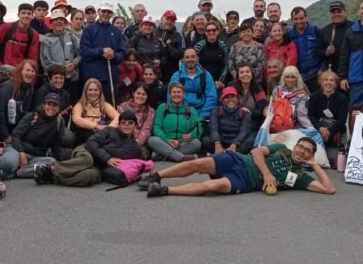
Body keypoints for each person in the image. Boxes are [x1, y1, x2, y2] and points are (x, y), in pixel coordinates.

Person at [139, 136, 335, 198]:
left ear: (310, 155)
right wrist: (267, 175)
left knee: (212, 186)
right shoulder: (281, 148)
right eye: (300, 146)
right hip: (239, 160)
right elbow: (256, 152)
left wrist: (315, 165)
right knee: (198, 164)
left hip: (245, 181)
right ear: (295, 146)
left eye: (307, 151)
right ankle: (156, 176)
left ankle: (163, 190)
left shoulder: (300, 176)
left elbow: (329, 189)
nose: (302, 151)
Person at [0, 92, 65, 177]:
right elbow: (15, 135)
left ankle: (17, 173)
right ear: (44, 105)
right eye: (49, 104)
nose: (51, 108)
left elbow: (57, 144)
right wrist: (22, 153)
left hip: (36, 157)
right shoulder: (33, 116)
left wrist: (60, 163)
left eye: (55, 105)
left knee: (53, 163)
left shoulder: (59, 122)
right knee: (10, 163)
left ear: (58, 108)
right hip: (17, 150)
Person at [80, 1, 125, 102]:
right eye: (103, 11)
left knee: (110, 106)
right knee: (92, 106)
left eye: (109, 12)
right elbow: (85, 52)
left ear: (112, 14)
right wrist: (101, 51)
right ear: (98, 11)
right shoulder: (89, 30)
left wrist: (113, 55)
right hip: (93, 77)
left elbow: (122, 53)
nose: (106, 14)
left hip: (110, 78)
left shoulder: (116, 31)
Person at [85, 110, 144, 185]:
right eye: (123, 122)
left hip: (100, 167)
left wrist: (135, 174)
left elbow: (137, 165)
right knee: (85, 160)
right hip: (87, 152)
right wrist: (107, 158)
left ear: (135, 126)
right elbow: (91, 142)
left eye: (130, 122)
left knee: (89, 176)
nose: (126, 124)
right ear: (119, 125)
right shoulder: (109, 130)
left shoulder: (136, 148)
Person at [147, 82, 202, 162]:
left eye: (179, 92)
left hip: (182, 143)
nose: (176, 94)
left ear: (184, 94)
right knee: (152, 140)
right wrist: (167, 140)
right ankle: (182, 157)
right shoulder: (163, 108)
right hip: (165, 142)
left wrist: (192, 135)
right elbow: (156, 127)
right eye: (174, 92)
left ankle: (162, 155)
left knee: (197, 143)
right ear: (170, 95)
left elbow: (199, 127)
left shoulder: (191, 110)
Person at [0, 60, 39, 147]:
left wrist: (33, 116)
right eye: (27, 70)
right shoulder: (7, 87)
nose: (30, 73)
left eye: (33, 71)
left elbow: (24, 111)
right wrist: (5, 136)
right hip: (0, 133)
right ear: (20, 71)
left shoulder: (29, 89)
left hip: (14, 130)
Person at [40, 8, 81, 101]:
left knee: (71, 105)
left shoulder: (71, 36)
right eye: (56, 19)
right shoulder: (46, 39)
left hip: (71, 79)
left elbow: (80, 54)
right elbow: (46, 62)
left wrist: (74, 63)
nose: (59, 22)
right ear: (51, 22)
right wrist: (63, 68)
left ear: (65, 22)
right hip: (54, 81)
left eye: (61, 19)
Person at [308, 70, 349, 163]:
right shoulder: (314, 96)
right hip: (319, 129)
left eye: (331, 80)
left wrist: (329, 131)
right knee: (315, 158)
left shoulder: (342, 98)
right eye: (325, 80)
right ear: (321, 83)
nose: (328, 83)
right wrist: (320, 128)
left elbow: (342, 120)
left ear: (335, 84)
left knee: (331, 161)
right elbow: (311, 115)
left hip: (335, 131)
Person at [169, 48, 217, 119]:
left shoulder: (206, 75)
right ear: (183, 59)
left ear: (197, 59)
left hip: (201, 114)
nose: (190, 59)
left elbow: (212, 97)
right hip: (180, 114)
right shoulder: (176, 76)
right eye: (187, 57)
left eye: (193, 57)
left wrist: (202, 116)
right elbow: (170, 97)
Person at [70, 78, 119, 145]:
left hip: (102, 135)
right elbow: (76, 119)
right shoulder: (79, 105)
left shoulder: (105, 105)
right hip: (84, 139)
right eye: (90, 90)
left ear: (100, 92)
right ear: (85, 91)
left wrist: (109, 128)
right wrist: (96, 126)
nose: (93, 93)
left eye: (96, 90)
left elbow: (119, 117)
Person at [209, 86, 254, 155]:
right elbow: (213, 127)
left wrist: (234, 145)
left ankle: (227, 154)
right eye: (227, 97)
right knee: (205, 140)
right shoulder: (216, 110)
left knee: (251, 140)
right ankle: (228, 154)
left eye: (233, 97)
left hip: (237, 144)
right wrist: (217, 144)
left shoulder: (245, 113)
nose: (230, 100)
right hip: (221, 141)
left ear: (237, 99)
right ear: (223, 100)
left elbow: (244, 131)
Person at [269, 66, 313, 131]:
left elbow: (301, 114)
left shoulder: (302, 95)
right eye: (287, 77)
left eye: (293, 77)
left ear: (297, 78)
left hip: (293, 125)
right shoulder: (277, 90)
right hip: (275, 123)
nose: (290, 80)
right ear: (283, 78)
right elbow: (272, 109)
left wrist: (311, 128)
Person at [117, 81, 155, 156]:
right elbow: (121, 126)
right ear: (133, 93)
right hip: (122, 141)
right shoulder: (123, 106)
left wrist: (134, 145)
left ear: (147, 96)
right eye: (138, 93)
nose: (140, 96)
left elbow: (146, 130)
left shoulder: (150, 111)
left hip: (140, 144)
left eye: (143, 94)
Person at [289, 7, 321, 93]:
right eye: (296, 19)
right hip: (297, 77)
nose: (299, 21)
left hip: (315, 74)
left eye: (301, 18)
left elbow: (322, 50)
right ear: (292, 20)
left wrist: (323, 68)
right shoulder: (289, 35)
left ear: (306, 17)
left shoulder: (316, 31)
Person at [193, 20, 229, 90]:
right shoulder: (199, 46)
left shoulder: (223, 46)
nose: (211, 32)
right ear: (205, 32)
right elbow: (193, 62)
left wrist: (221, 81)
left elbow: (226, 65)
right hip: (201, 81)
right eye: (208, 30)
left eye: (214, 30)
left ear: (218, 31)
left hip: (218, 83)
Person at [232, 64, 267, 130]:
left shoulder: (259, 90)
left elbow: (261, 110)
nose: (245, 74)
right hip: (234, 122)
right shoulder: (232, 88)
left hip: (253, 123)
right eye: (242, 72)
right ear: (238, 76)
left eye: (247, 71)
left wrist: (249, 113)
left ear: (252, 75)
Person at [318, 1, 349, 74]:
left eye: (339, 11)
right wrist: (326, 52)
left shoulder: (354, 28)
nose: (336, 14)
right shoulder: (324, 31)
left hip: (351, 72)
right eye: (333, 12)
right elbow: (318, 52)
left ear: (345, 12)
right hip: (332, 74)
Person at [155, 10, 184, 81]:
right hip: (153, 72)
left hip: (170, 73)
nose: (169, 22)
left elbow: (180, 54)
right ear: (162, 19)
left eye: (172, 21)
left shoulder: (178, 36)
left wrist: (167, 47)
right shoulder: (153, 32)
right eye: (167, 19)